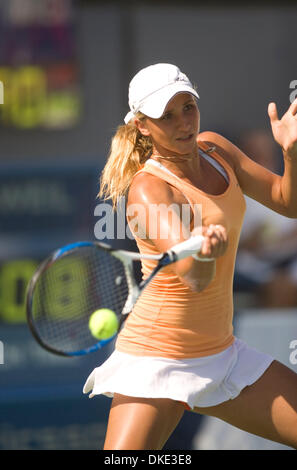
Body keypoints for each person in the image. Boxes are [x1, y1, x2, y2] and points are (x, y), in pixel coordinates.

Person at [83, 63, 297, 450]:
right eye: (166, 115)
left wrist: (291, 154)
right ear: (142, 126)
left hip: (222, 354)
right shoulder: (148, 189)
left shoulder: (217, 150)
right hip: (155, 357)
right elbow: (193, 277)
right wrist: (206, 253)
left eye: (188, 107)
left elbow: (288, 200)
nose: (183, 123)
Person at [234, 129, 297, 307]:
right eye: (255, 155)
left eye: (266, 154)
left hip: (290, 260)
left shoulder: (287, 186)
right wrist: (249, 242)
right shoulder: (232, 194)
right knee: (280, 288)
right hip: (252, 266)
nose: (263, 160)